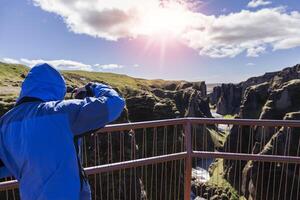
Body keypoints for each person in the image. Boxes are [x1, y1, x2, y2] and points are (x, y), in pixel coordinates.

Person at [0, 63, 125, 200]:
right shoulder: (62, 112)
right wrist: (92, 87)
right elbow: (115, 102)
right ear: (58, 89)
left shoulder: (5, 122)